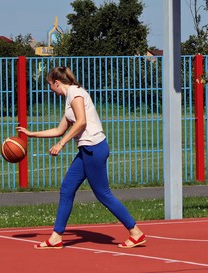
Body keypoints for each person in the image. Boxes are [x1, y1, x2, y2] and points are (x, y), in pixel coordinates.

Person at [17, 66, 146, 250]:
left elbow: (81, 122)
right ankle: (56, 237)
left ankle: (135, 232)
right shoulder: (70, 97)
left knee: (103, 194)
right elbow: (59, 130)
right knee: (67, 188)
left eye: (49, 85)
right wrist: (31, 134)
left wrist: (61, 144)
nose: (50, 89)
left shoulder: (75, 93)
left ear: (56, 83)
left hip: (94, 148)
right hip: (86, 150)